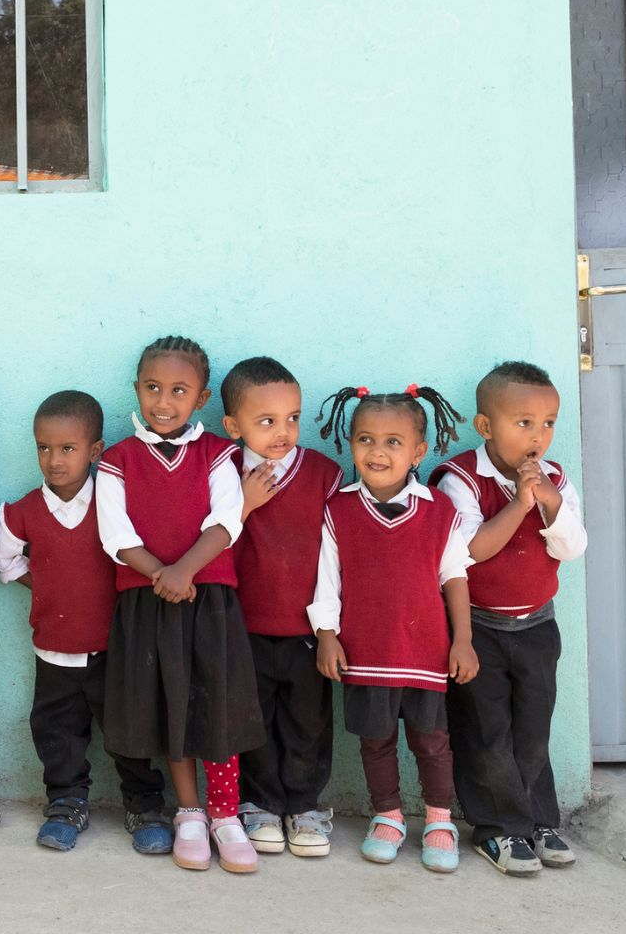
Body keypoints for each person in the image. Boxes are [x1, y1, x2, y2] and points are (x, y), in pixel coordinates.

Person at [96, 335, 266, 874]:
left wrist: (183, 571)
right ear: (136, 389)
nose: (163, 401)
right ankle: (188, 810)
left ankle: (225, 814)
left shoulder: (218, 453)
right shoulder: (117, 460)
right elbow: (114, 533)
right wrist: (160, 575)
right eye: (152, 387)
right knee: (170, 704)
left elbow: (226, 518)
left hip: (207, 597)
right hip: (147, 603)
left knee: (216, 701)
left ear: (201, 397)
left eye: (178, 390)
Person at [0, 390, 172, 854]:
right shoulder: (25, 510)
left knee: (128, 731)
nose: (55, 460)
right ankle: (66, 801)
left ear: (94, 451)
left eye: (68, 449)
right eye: (44, 448)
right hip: (54, 648)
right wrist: (47, 587)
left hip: (116, 649)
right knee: (57, 733)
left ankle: (145, 804)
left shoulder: (114, 503)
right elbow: (5, 557)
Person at [308, 384, 478, 873]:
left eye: (393, 442)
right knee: (375, 741)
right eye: (365, 439)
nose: (377, 452)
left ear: (418, 451)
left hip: (426, 651)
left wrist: (462, 640)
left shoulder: (438, 512)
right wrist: (326, 634)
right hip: (364, 651)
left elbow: (455, 576)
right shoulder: (337, 509)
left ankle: (439, 820)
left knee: (432, 739)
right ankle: (388, 815)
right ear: (350, 444)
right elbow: (327, 578)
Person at [431, 361, 587, 877]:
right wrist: (521, 504)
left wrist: (550, 502)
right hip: (479, 629)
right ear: (485, 427)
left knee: (532, 730)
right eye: (524, 423)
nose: (538, 435)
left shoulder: (555, 479)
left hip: (537, 627)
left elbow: (572, 547)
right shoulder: (459, 480)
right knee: (486, 731)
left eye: (548, 423)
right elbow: (471, 551)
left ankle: (540, 822)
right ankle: (498, 831)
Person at [219, 356, 342, 858]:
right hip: (242, 625)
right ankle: (261, 804)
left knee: (306, 719)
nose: (283, 431)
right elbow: (206, 545)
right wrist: (242, 504)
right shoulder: (222, 471)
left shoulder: (322, 474)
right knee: (254, 718)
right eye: (266, 421)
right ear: (233, 426)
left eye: (292, 417)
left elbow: (337, 555)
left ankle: (305, 805)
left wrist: (331, 625)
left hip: (306, 627)